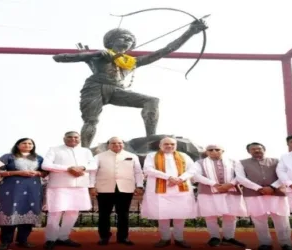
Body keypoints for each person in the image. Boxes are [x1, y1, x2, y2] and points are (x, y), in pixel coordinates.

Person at [52, 20, 208, 148]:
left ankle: (151, 137)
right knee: (91, 120)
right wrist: (95, 54)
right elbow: (59, 58)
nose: (127, 41)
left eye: (130, 40)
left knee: (152, 101)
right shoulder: (100, 55)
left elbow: (165, 50)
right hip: (95, 87)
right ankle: (84, 150)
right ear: (111, 41)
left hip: (117, 89)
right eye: (123, 38)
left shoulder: (132, 62)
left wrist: (191, 32)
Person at [42, 131, 97, 249]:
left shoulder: (86, 151)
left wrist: (82, 167)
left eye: (76, 137)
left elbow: (93, 165)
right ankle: (51, 239)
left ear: (80, 138)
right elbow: (45, 165)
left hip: (80, 185)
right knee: (55, 212)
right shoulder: (54, 149)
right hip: (59, 186)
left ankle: (63, 237)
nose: (73, 139)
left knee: (73, 213)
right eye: (70, 137)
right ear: (64, 138)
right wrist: (68, 168)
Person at [141, 137, 197, 248]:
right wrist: (169, 177)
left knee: (180, 214)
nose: (169, 146)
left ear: (175, 145)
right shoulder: (152, 156)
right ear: (160, 145)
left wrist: (180, 179)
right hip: (160, 190)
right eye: (166, 144)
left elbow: (193, 170)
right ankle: (165, 238)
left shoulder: (184, 156)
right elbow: (148, 169)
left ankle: (179, 238)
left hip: (180, 189)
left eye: (172, 144)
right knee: (162, 214)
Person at [236, 142, 292, 250]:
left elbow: (283, 175)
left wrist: (272, 187)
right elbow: (240, 178)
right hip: (253, 194)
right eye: (253, 149)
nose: (256, 150)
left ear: (264, 149)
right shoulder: (241, 163)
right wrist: (259, 188)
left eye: (259, 148)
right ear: (248, 151)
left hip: (276, 193)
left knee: (281, 218)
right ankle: (265, 243)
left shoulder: (277, 161)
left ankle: (286, 243)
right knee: (258, 219)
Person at [0, 138, 48, 250]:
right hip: (11, 190)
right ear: (18, 145)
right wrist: (18, 172)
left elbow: (46, 172)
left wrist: (38, 172)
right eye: (24, 143)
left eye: (30, 143)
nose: (27, 145)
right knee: (10, 212)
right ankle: (5, 242)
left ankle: (23, 240)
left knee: (30, 212)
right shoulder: (7, 156)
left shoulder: (39, 158)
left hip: (33, 189)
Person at [89, 137, 144, 246]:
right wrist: (91, 186)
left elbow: (138, 172)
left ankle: (123, 237)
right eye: (113, 143)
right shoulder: (99, 156)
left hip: (125, 188)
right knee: (104, 214)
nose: (116, 145)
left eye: (119, 143)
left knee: (123, 214)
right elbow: (92, 173)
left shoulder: (132, 156)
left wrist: (140, 186)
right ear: (108, 145)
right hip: (104, 188)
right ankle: (104, 237)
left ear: (123, 144)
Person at [193, 144, 247, 248]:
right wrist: (213, 184)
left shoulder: (234, 162)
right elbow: (196, 175)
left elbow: (240, 176)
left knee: (231, 215)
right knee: (210, 215)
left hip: (230, 190)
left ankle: (228, 237)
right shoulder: (199, 163)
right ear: (206, 152)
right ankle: (214, 237)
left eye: (217, 149)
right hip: (208, 191)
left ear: (223, 150)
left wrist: (230, 184)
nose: (214, 151)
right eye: (210, 150)